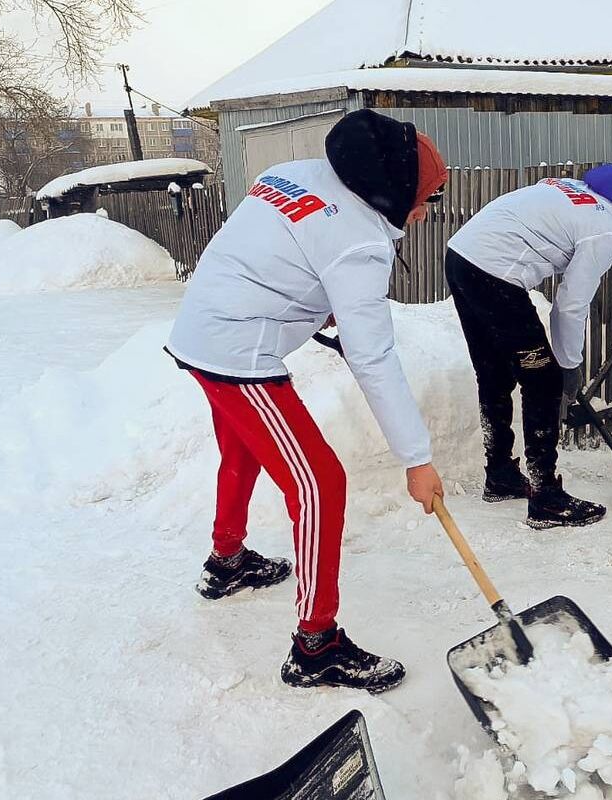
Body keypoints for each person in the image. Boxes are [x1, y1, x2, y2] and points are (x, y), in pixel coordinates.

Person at [165, 109, 448, 693]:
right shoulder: (361, 244)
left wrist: (310, 303)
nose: (424, 211)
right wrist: (416, 459)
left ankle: (227, 559)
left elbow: (274, 248)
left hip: (200, 330)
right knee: (320, 483)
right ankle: (317, 646)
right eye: (425, 197)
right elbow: (373, 357)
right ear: (389, 187)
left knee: (243, 450)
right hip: (238, 352)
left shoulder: (294, 172)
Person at [444, 164, 612, 529]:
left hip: (461, 256)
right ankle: (546, 497)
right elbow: (570, 304)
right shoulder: (607, 226)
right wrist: (568, 367)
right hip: (494, 273)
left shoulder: (577, 191)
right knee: (544, 380)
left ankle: (501, 474)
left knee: (495, 370)